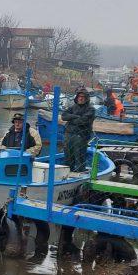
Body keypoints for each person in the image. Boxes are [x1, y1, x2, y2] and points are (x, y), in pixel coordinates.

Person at [57, 88, 95, 254]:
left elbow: (84, 121)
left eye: (82, 97)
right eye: (78, 96)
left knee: (79, 158)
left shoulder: (91, 109)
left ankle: (78, 177)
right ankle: (67, 177)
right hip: (69, 135)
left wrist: (73, 119)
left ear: (86, 98)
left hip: (81, 136)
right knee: (68, 157)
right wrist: (74, 118)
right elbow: (64, 116)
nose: (80, 99)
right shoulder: (72, 107)